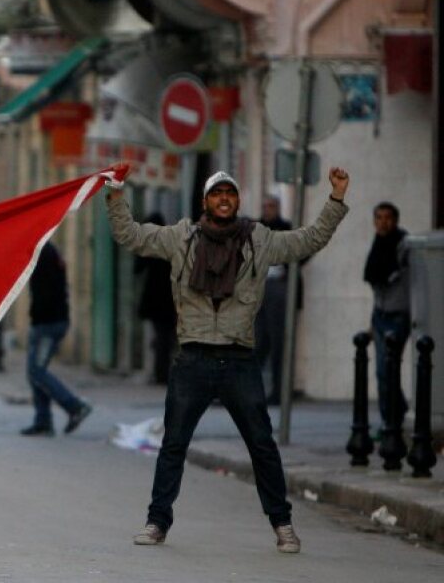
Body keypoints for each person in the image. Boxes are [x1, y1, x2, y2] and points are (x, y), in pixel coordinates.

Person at [107, 167, 351, 554]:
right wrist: (116, 198)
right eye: (217, 193)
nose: (224, 199)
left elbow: (309, 240)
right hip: (192, 359)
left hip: (239, 360)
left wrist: (335, 200)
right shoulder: (180, 237)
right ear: (205, 201)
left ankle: (283, 524)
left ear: (237, 201)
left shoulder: (259, 239)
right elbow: (130, 235)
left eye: (230, 194)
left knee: (262, 445)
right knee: (174, 445)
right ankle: (157, 522)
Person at [19, 241, 93, 436]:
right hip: (47, 322)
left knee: (37, 371)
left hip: (48, 324)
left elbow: (47, 292)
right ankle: (43, 420)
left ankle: (75, 407)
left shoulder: (43, 252)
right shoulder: (46, 250)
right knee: (35, 371)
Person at [364, 201, 410, 429]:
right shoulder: (378, 244)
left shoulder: (404, 245)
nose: (383, 222)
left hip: (398, 315)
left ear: (395, 220)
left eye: (388, 217)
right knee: (383, 372)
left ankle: (392, 420)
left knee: (387, 369)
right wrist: (372, 323)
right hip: (380, 315)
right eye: (379, 217)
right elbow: (377, 285)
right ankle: (392, 418)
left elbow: (412, 283)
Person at [254, 195, 296, 405]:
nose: (268, 210)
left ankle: (279, 390)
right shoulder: (255, 228)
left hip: (279, 285)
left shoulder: (285, 227)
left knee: (278, 341)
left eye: (271, 206)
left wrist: (288, 265)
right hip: (258, 286)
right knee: (257, 340)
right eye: (265, 206)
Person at [136, 212, 176, 385]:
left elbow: (137, 268)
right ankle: (162, 373)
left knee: (162, 339)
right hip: (171, 299)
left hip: (158, 300)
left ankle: (161, 374)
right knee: (165, 339)